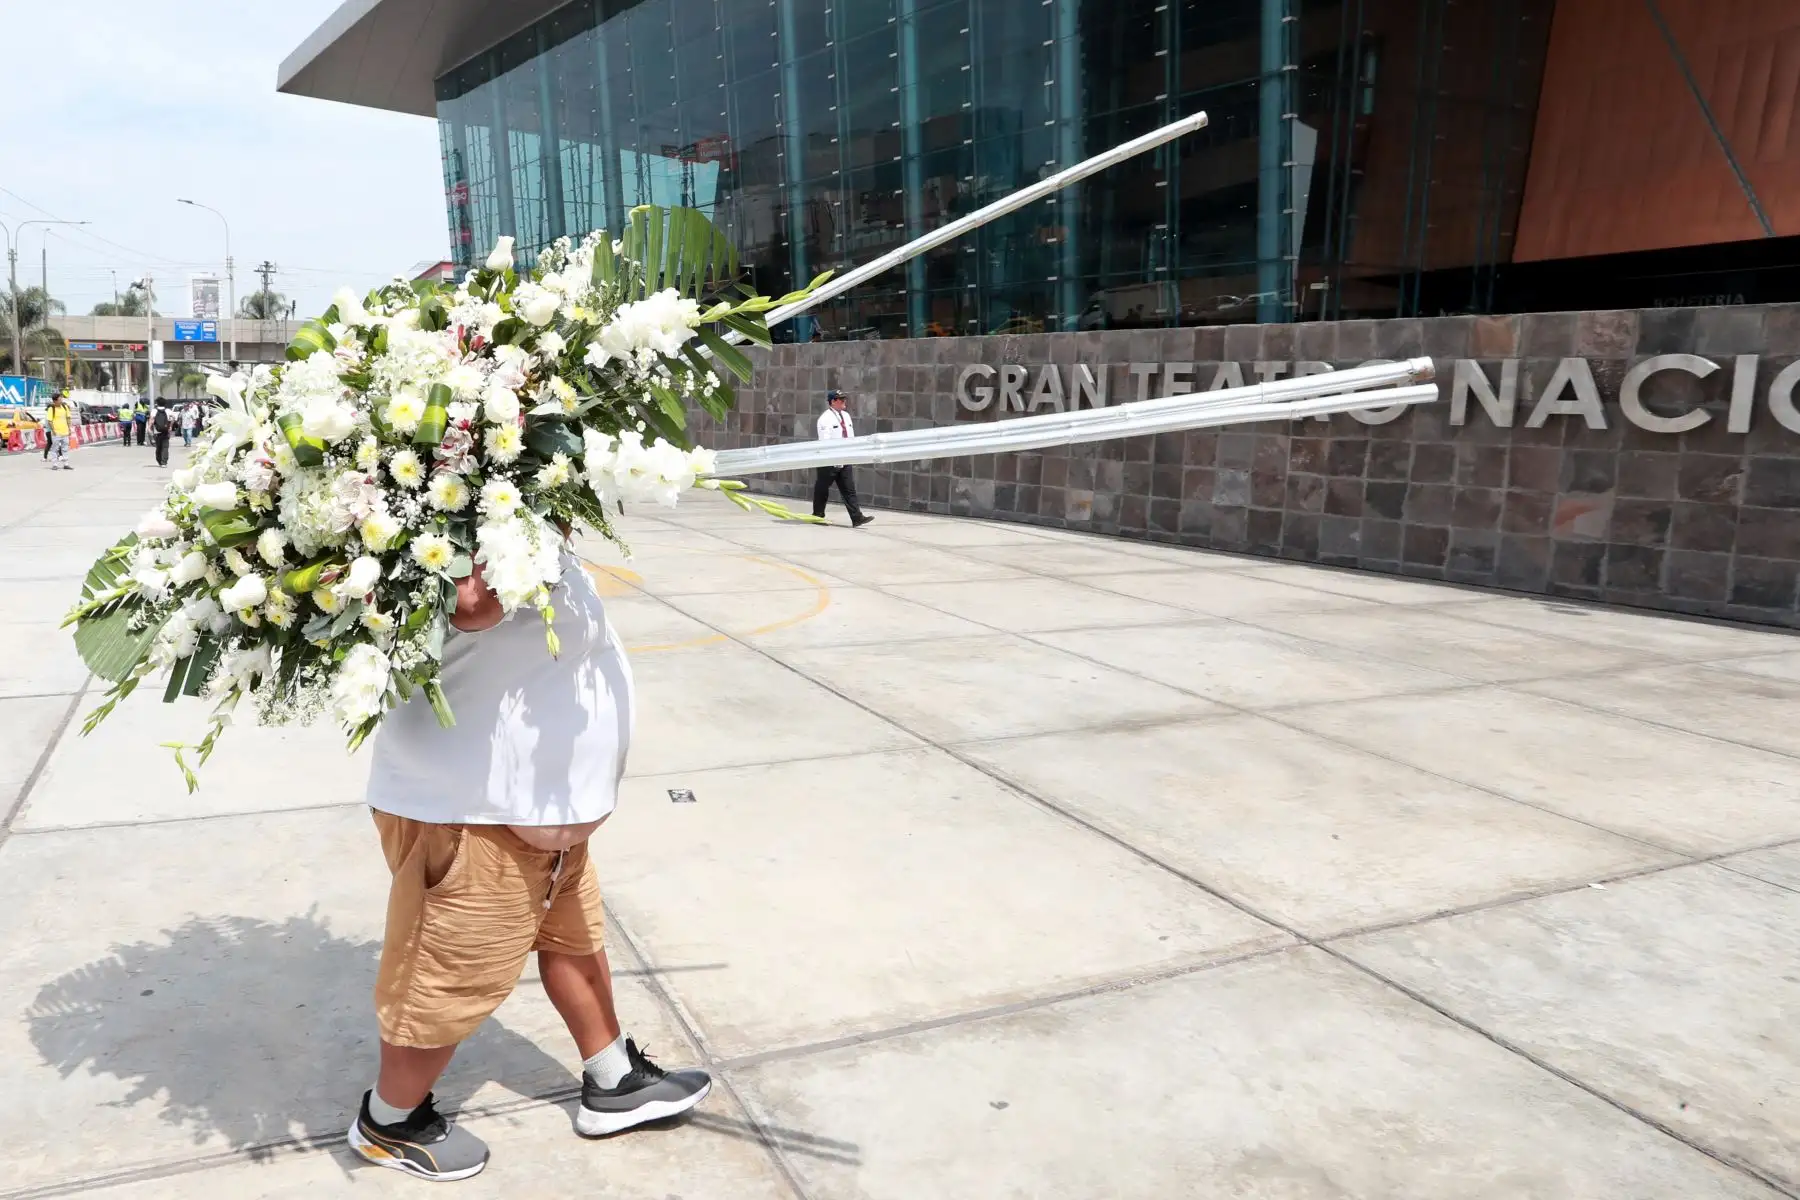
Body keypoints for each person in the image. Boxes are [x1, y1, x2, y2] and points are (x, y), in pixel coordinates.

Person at [346, 541, 710, 1182]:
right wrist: (515, 522)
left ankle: (612, 1077)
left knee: (574, 940)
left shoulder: (523, 512)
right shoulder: (463, 515)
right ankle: (390, 1120)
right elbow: (472, 604)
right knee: (448, 977)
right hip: (469, 816)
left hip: (540, 812)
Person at [812, 389, 872, 527]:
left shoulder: (846, 416)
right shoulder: (825, 419)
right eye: (841, 399)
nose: (844, 401)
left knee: (849, 490)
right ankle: (818, 515)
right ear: (833, 401)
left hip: (845, 458)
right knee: (822, 488)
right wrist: (831, 458)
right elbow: (825, 442)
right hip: (829, 461)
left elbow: (850, 436)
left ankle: (857, 517)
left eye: (844, 399)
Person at [44, 393, 73, 470]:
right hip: (56, 433)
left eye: (61, 399)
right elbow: (49, 420)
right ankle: (55, 464)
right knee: (55, 449)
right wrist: (53, 430)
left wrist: (69, 429)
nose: (61, 400)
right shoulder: (51, 409)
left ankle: (66, 464)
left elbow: (68, 418)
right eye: (60, 399)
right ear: (55, 401)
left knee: (65, 448)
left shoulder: (65, 407)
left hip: (65, 432)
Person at [151, 402, 173, 467]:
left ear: (157, 404)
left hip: (157, 432)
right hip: (165, 431)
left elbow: (151, 420)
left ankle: (159, 461)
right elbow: (173, 418)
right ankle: (164, 462)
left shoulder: (154, 411)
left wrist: (149, 428)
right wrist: (170, 426)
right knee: (165, 447)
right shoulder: (168, 411)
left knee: (158, 447)